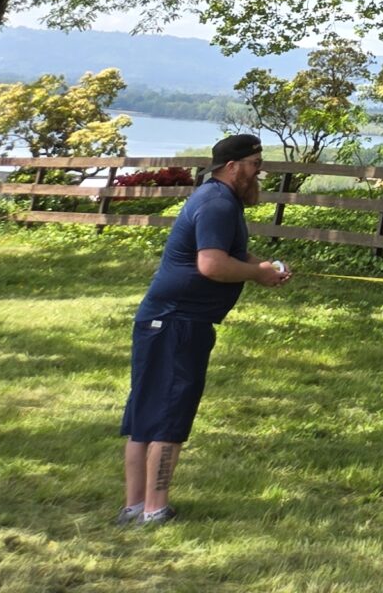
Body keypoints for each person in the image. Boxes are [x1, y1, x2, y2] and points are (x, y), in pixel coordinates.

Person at [117, 133, 292, 525]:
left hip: (165, 319)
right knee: (167, 415)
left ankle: (134, 507)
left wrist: (263, 267)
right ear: (233, 168)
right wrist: (256, 275)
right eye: (255, 165)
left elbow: (231, 253)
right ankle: (153, 510)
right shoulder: (217, 204)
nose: (259, 173)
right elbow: (211, 265)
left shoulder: (217, 199)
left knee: (147, 413)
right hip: (179, 322)